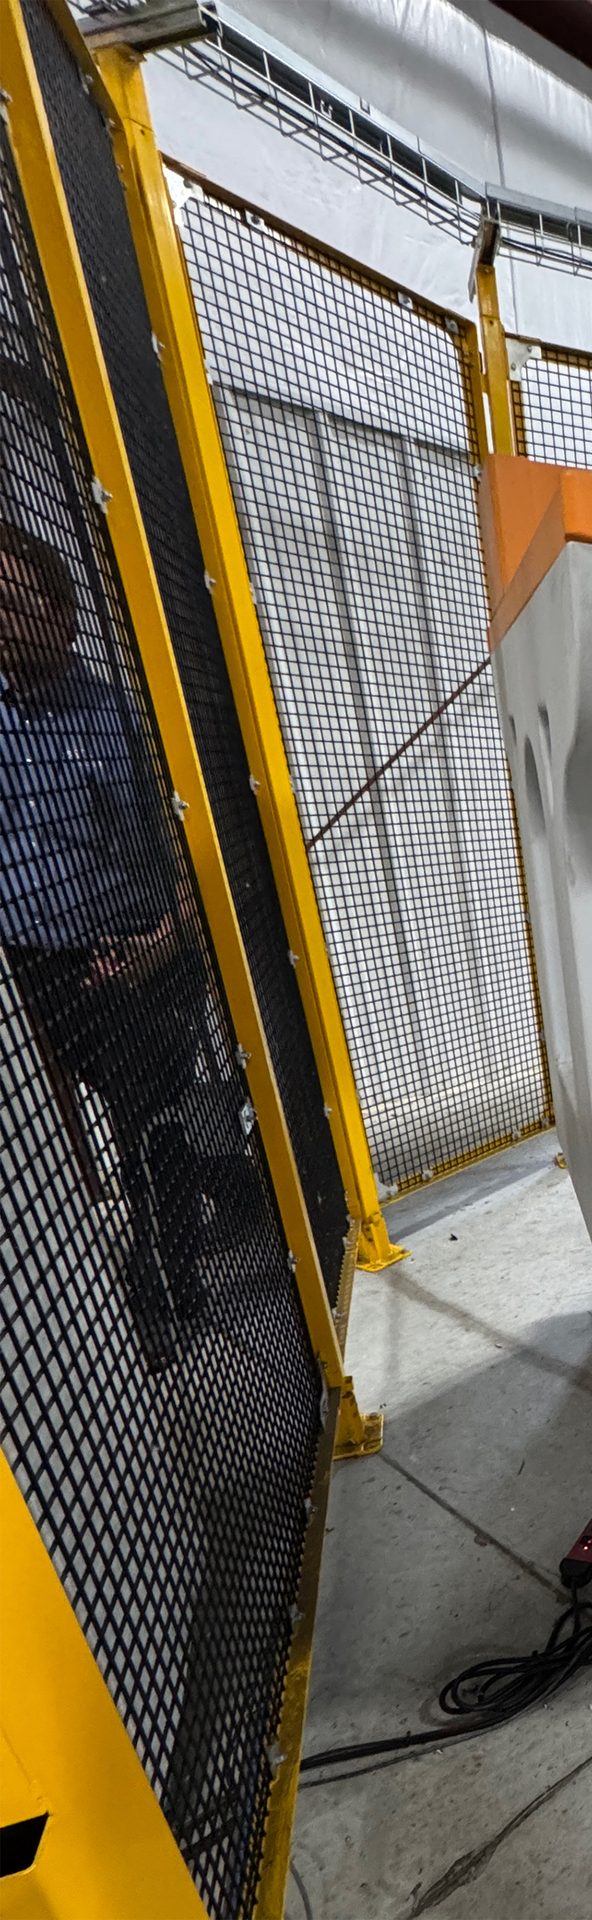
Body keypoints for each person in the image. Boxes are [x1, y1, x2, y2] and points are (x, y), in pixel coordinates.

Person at [0, 522, 218, 1366]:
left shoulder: (117, 718)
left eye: (15, 604)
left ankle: (171, 1285)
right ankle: (141, 1294)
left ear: (63, 617)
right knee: (94, 1151)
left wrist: (162, 945)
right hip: (40, 977)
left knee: (148, 1130)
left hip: (140, 961)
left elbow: (185, 859)